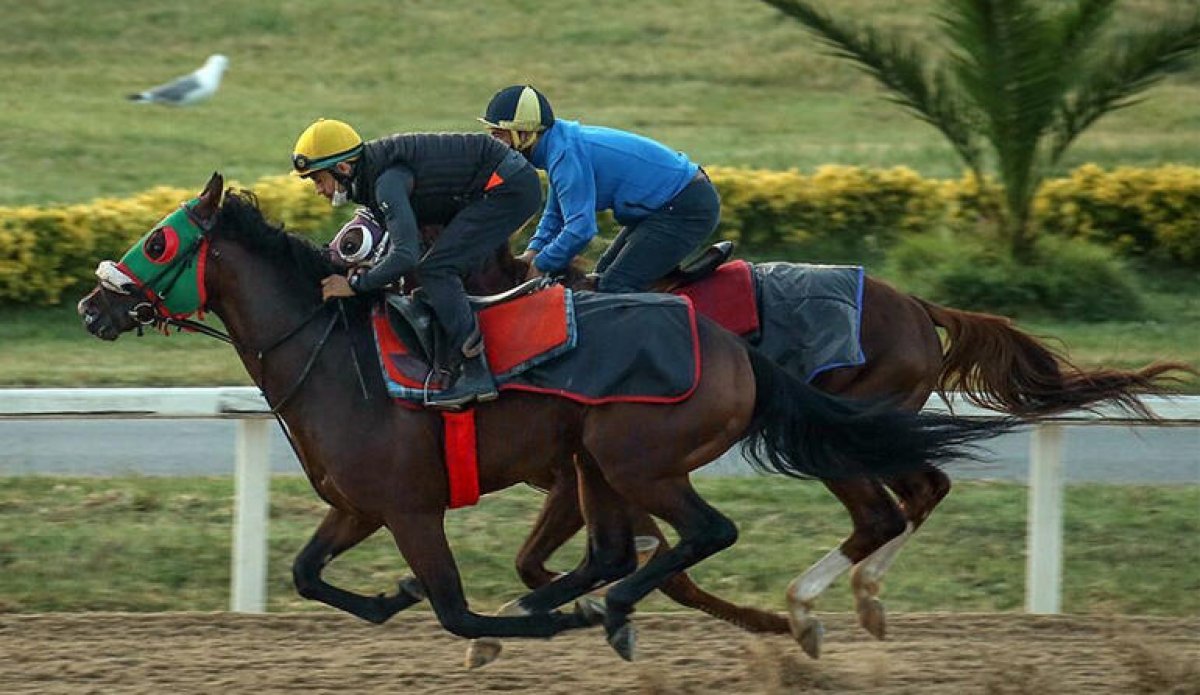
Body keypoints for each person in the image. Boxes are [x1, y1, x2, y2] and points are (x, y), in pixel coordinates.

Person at [291, 118, 542, 408]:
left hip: (508, 189)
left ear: (343, 169)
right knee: (432, 269)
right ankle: (455, 354)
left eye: (319, 179)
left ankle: (475, 373)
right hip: (491, 184)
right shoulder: (372, 178)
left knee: (436, 270)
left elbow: (405, 255)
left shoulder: (386, 183)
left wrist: (355, 285)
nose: (318, 190)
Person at [479, 85, 721, 292]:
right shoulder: (558, 147)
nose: (496, 144)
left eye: (500, 136)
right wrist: (533, 252)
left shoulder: (563, 154)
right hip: (667, 205)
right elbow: (556, 214)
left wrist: (541, 265)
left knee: (615, 288)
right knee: (600, 277)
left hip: (683, 207)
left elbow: (580, 229)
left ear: (525, 133)